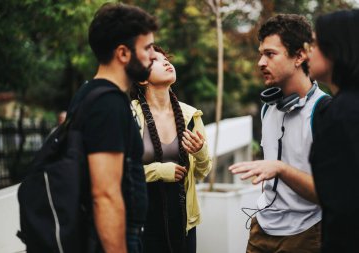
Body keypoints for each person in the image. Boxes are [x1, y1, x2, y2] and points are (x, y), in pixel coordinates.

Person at [229, 14, 327, 252]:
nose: (260, 62)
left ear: (300, 56)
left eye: (270, 54)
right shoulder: (268, 109)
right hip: (261, 228)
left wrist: (281, 169)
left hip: (304, 234)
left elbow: (328, 193)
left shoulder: (325, 112)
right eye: (260, 54)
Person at [82, 3, 157, 253]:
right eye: (147, 48)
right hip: (115, 238)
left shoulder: (90, 93)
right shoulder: (108, 104)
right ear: (123, 53)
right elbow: (105, 194)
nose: (154, 55)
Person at [131, 46, 212, 253]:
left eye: (167, 59)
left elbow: (202, 172)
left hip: (183, 224)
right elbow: (118, 172)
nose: (167, 62)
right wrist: (159, 171)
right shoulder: (129, 114)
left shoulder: (191, 116)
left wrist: (200, 151)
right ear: (142, 79)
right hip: (142, 224)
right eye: (156, 60)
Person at [306, 9, 359, 253]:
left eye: (315, 44)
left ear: (336, 48)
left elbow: (344, 206)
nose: (308, 52)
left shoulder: (341, 115)